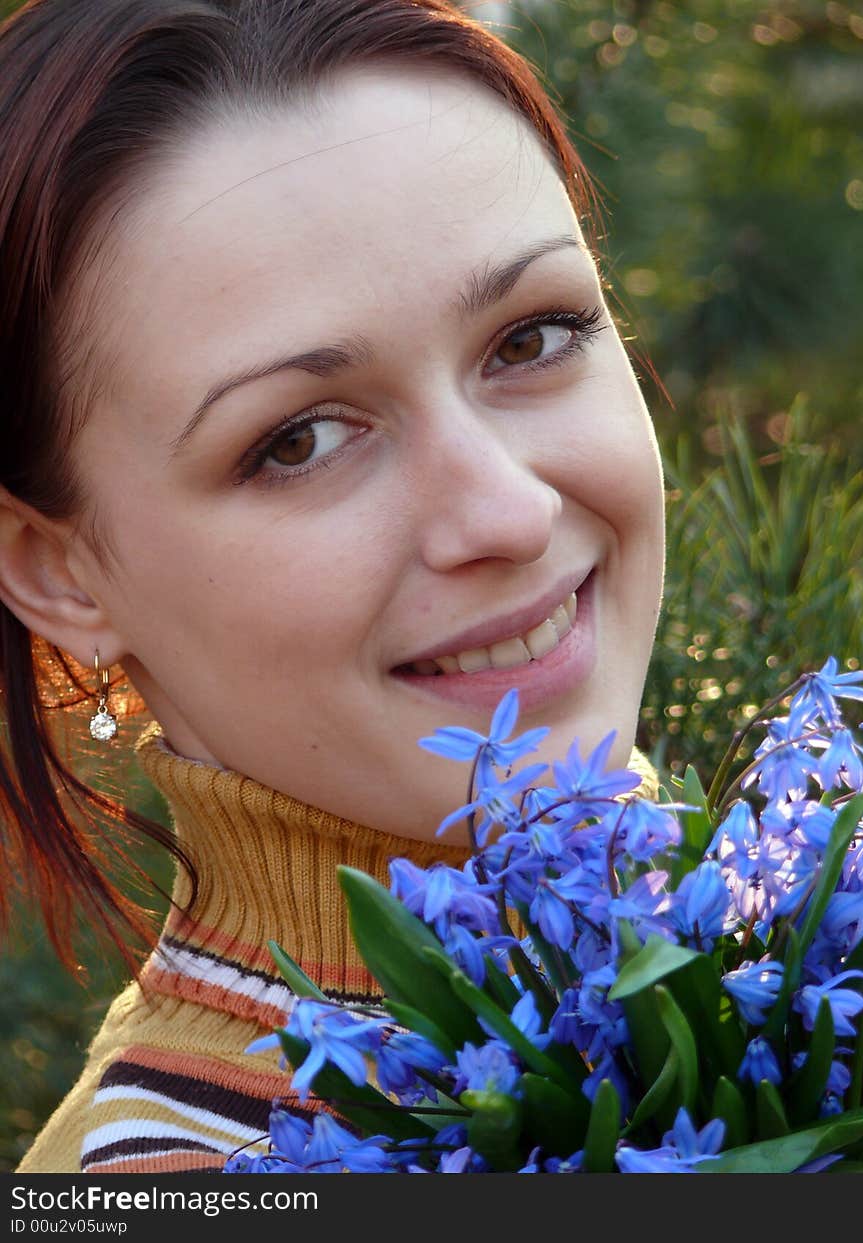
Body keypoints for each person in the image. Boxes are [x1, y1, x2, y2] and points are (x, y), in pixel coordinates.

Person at [0, 0, 665, 1173]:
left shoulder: (790, 928)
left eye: (533, 338)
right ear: (58, 571)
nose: (507, 512)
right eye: (300, 439)